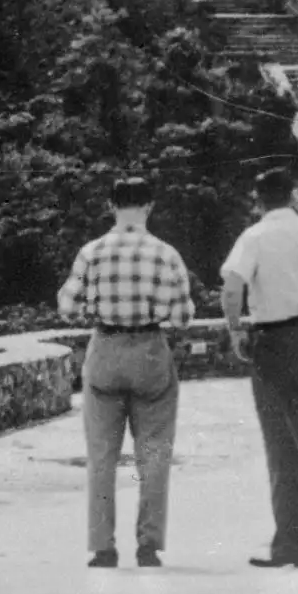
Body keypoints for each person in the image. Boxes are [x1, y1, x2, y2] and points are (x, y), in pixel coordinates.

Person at [55, 171, 197, 569]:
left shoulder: (92, 251)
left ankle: (103, 547)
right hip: (150, 348)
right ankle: (148, 545)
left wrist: (93, 309)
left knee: (101, 456)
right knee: (153, 453)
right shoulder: (166, 253)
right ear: (150, 205)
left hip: (105, 348)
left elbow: (66, 305)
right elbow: (183, 316)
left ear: (111, 206)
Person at [219, 162, 298, 568]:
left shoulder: (253, 236)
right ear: (291, 196)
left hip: (275, 342)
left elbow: (232, 288)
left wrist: (236, 330)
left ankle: (294, 545)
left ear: (258, 200)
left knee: (285, 445)